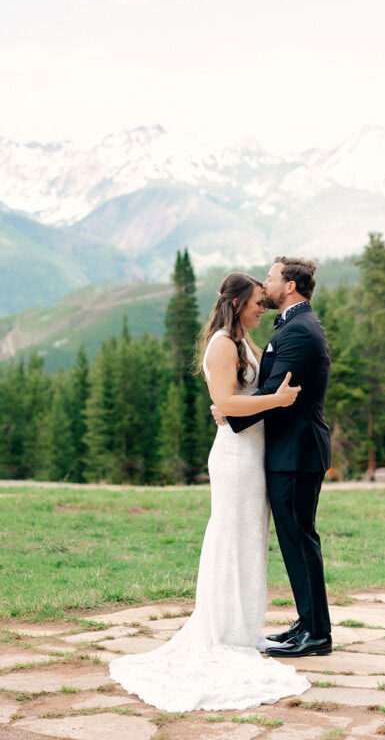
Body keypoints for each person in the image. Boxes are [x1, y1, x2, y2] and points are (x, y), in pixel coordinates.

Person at [109, 272, 311, 711]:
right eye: (258, 301)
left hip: (252, 455)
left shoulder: (243, 344)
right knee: (230, 536)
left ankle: (240, 627)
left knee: (248, 540)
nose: (264, 307)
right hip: (236, 457)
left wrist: (266, 398)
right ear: (238, 303)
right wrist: (275, 402)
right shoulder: (222, 344)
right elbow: (230, 401)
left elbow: (242, 395)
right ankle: (222, 632)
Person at [221, 257, 333, 658]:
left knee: (300, 539)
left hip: (297, 452)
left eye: (270, 278)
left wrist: (229, 415)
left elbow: (277, 392)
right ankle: (308, 622)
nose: (264, 284)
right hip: (290, 451)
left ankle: (317, 634)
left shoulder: (300, 331)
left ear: (288, 287)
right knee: (295, 539)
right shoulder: (294, 325)